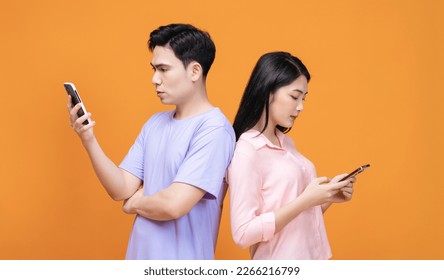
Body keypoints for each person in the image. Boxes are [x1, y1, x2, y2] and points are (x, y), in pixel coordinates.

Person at [67, 23, 235, 259]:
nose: (154, 79)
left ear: (195, 71)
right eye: (154, 69)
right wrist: (88, 139)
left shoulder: (215, 129)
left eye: (164, 69)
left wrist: (134, 204)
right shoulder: (155, 123)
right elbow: (121, 188)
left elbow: (174, 204)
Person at [227, 51, 356, 260]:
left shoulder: (287, 144)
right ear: (268, 91)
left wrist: (328, 196)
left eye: (303, 98)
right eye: (294, 96)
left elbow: (295, 223)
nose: (301, 107)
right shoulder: (247, 151)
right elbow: (243, 233)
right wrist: (306, 200)